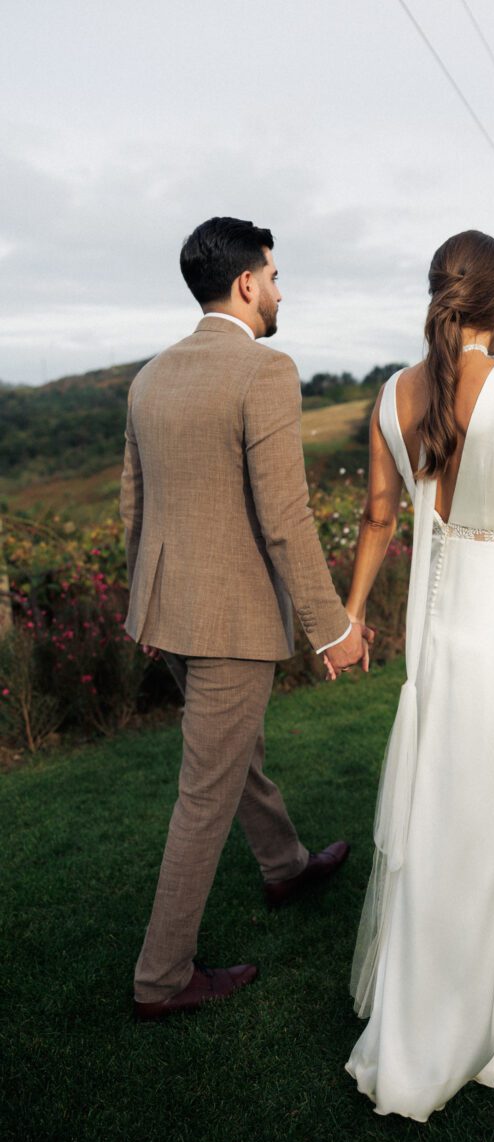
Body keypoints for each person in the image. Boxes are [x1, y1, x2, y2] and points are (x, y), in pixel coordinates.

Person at [343, 230, 494, 1120]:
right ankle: (443, 1010)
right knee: (472, 797)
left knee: (468, 788)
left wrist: (355, 613)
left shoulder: (389, 394)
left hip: (431, 622)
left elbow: (375, 517)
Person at [120, 216, 369, 1022]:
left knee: (235, 750)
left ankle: (285, 864)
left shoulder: (150, 376)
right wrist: (333, 627)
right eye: (274, 274)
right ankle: (163, 977)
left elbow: (134, 504)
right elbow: (286, 517)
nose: (280, 289)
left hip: (169, 613)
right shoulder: (265, 370)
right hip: (228, 621)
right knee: (205, 792)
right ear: (246, 284)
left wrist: (141, 606)